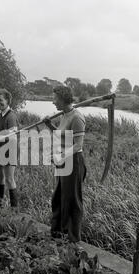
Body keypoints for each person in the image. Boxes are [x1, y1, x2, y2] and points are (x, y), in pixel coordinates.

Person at [43, 86, 87, 243]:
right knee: (58, 198)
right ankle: (57, 233)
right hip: (63, 162)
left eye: (55, 98)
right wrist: (49, 125)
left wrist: (59, 157)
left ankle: (73, 239)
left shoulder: (77, 118)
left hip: (73, 162)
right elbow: (62, 137)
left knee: (72, 200)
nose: (53, 101)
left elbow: (77, 145)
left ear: (62, 98)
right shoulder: (64, 115)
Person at [0, 88, 19, 208]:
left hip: (10, 150)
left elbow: (12, 136)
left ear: (7, 100)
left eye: (0, 100)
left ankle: (14, 208)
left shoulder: (11, 116)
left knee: (9, 179)